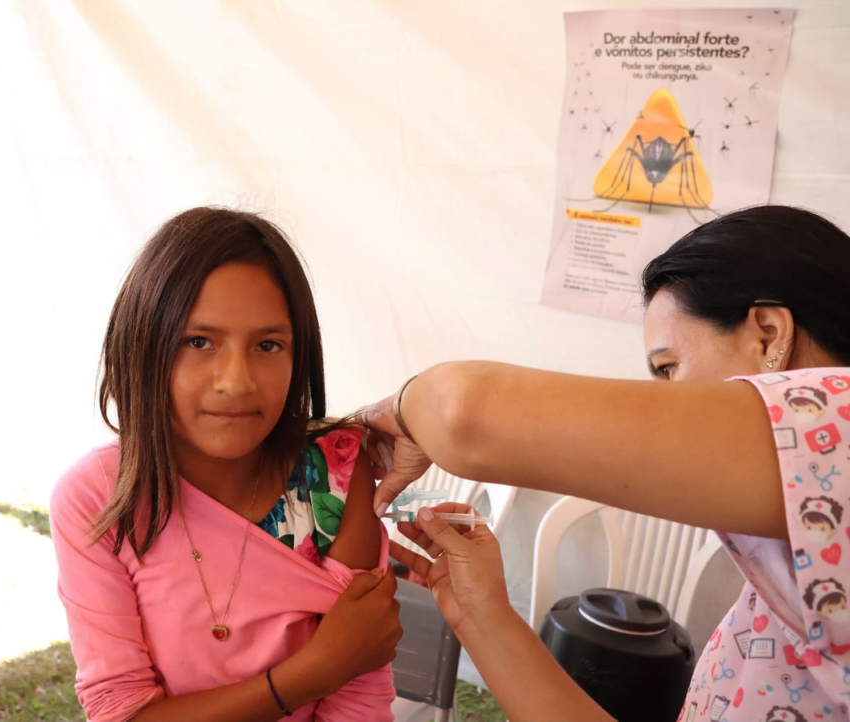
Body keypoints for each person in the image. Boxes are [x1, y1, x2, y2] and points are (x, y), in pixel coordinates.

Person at [360, 205, 850, 720]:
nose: (660, 399)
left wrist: (394, 412)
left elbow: (462, 412)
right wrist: (481, 615)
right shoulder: (781, 591)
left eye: (669, 368)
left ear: (768, 336)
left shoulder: (840, 421)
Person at [50, 207, 400, 722]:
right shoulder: (98, 497)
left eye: (267, 345)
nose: (235, 381)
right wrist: (315, 671)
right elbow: (122, 713)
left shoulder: (337, 476)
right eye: (198, 342)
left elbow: (359, 702)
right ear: (142, 346)